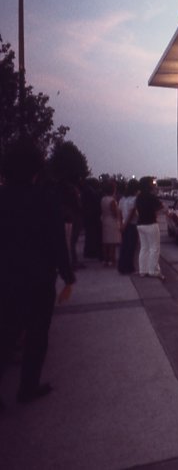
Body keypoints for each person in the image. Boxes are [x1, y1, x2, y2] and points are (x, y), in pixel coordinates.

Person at [0, 138, 75, 408]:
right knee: (36, 335)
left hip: (6, 279)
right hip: (38, 279)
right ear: (36, 169)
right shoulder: (44, 198)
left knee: (6, 334)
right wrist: (68, 275)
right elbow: (57, 240)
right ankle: (27, 388)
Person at [136, 177, 165, 279]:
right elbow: (161, 207)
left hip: (140, 224)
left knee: (144, 248)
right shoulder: (151, 197)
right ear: (148, 185)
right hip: (151, 224)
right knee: (154, 248)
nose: (154, 185)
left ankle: (142, 270)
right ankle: (153, 271)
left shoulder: (138, 197)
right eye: (152, 183)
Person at [117, 179, 139, 275]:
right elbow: (132, 213)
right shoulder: (135, 199)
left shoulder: (122, 199)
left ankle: (122, 266)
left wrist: (121, 224)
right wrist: (125, 224)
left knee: (124, 246)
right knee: (131, 247)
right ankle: (129, 267)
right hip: (132, 225)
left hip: (123, 224)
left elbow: (119, 212)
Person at [100, 181, 121, 267]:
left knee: (106, 242)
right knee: (112, 242)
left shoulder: (103, 199)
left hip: (105, 219)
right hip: (112, 221)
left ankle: (106, 259)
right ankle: (112, 260)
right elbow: (115, 213)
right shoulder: (112, 201)